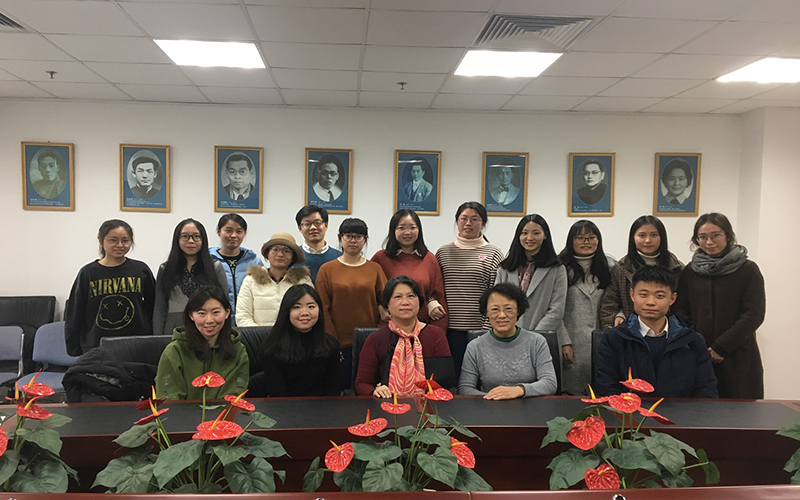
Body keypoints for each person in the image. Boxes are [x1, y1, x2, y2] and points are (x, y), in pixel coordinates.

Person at [673, 213, 766, 399]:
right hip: (699, 354)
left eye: (715, 235)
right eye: (702, 237)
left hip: (738, 355)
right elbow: (681, 310)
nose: (709, 242)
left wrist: (721, 347)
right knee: (700, 410)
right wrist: (697, 343)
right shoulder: (690, 271)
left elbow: (753, 314)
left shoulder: (748, 269)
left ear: (728, 235)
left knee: (740, 411)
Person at [595, 266, 718, 398]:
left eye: (660, 296)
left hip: (682, 411)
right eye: (643, 295)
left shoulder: (692, 340)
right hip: (631, 411)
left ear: (672, 299)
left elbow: (706, 390)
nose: (650, 302)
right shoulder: (614, 339)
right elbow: (606, 389)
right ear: (632, 295)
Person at [316, 218, 388, 389]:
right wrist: (332, 342)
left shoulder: (375, 269)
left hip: (370, 341)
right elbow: (322, 308)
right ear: (340, 238)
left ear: (365, 239)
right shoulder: (327, 269)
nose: (353, 241)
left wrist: (377, 333)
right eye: (348, 236)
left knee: (367, 389)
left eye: (358, 236)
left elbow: (387, 303)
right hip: (338, 343)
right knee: (340, 390)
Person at [65, 220, 155, 356]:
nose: (120, 245)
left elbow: (153, 306)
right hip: (97, 344)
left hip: (136, 343)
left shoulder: (140, 269)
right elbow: (75, 310)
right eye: (113, 240)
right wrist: (73, 347)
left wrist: (153, 336)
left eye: (125, 240)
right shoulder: (88, 273)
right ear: (101, 240)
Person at [435, 202, 504, 377]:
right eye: (463, 218)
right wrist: (431, 302)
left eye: (474, 219)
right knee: (453, 377)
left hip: (481, 329)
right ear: (457, 221)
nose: (468, 223)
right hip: (449, 329)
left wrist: (487, 327)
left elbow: (497, 294)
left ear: (483, 223)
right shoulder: (443, 252)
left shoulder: (494, 253)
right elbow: (433, 286)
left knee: (481, 377)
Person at [355, 276, 452, 397]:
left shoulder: (435, 335)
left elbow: (445, 381)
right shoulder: (376, 339)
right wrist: (375, 391)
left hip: (428, 404)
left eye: (411, 296)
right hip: (387, 404)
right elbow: (362, 383)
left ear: (419, 302)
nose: (405, 302)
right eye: (398, 297)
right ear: (387, 305)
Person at [459, 283, 557, 399]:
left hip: (529, 405)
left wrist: (519, 390)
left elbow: (550, 383)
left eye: (508, 309)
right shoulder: (475, 347)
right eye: (495, 309)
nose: (502, 315)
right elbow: (465, 388)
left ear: (518, 311)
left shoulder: (536, 342)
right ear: (486, 312)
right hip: (489, 406)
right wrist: (497, 397)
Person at [155, 286, 249, 400]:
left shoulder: (238, 350)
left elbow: (233, 398)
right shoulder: (175, 351)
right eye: (201, 313)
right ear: (191, 315)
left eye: (215, 312)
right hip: (181, 412)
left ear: (227, 312)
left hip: (224, 411)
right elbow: (169, 399)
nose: (209, 320)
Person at [557, 220, 615, 395]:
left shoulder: (610, 266)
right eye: (580, 238)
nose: (586, 242)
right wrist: (563, 340)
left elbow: (619, 298)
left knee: (601, 393)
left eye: (591, 237)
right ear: (571, 240)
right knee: (572, 394)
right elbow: (553, 307)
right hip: (571, 341)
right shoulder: (559, 267)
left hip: (602, 340)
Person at [252, 284, 340, 397]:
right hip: (285, 406)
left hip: (324, 406)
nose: (305, 312)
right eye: (297, 307)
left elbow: (333, 389)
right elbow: (277, 394)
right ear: (287, 311)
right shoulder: (273, 348)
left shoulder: (330, 344)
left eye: (311, 306)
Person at [599, 215, 683, 329]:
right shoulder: (621, 268)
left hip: (669, 330)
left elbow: (684, 305)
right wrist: (615, 320)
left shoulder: (677, 268)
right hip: (630, 331)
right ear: (633, 238)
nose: (648, 240)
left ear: (662, 237)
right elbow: (610, 302)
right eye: (642, 235)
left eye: (654, 235)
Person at [371, 209, 448, 331]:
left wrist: (438, 333)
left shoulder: (429, 259)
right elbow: (370, 293)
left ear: (419, 230)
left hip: (421, 328)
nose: (407, 232)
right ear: (393, 230)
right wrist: (379, 307)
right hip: (388, 328)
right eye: (401, 228)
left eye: (412, 227)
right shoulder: (380, 258)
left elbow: (438, 297)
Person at [153, 219, 228, 336]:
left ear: (203, 239)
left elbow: (224, 303)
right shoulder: (165, 269)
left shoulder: (215, 267)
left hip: (207, 327)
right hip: (174, 329)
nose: (191, 241)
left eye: (196, 236)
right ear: (177, 239)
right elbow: (160, 308)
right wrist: (158, 338)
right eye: (185, 236)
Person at [495, 214, 567, 334]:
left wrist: (533, 337)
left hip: (544, 336)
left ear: (545, 235)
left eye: (536, 233)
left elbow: (556, 310)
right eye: (524, 233)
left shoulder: (557, 269)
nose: (529, 238)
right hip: (509, 335)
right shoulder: (505, 268)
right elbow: (497, 303)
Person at [236, 232, 312, 327]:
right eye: (275, 249)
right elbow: (242, 316)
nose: (280, 254)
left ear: (293, 256)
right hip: (258, 335)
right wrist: (260, 334)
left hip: (294, 335)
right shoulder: (251, 280)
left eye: (286, 251)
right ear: (268, 253)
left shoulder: (302, 281)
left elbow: (310, 312)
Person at [209, 213, 263, 326]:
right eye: (228, 230)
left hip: (248, 322)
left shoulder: (254, 262)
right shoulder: (209, 261)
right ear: (218, 232)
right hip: (217, 323)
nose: (234, 235)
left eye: (239, 231)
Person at [296, 205, 341, 283]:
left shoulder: (339, 257)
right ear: (300, 228)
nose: (313, 227)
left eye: (317, 223)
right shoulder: (294, 257)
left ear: (326, 225)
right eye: (307, 224)